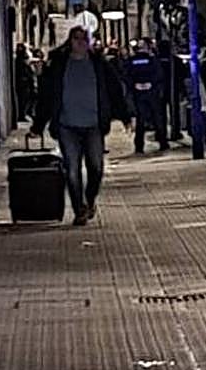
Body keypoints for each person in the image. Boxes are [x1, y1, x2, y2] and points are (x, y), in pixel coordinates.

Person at [30, 26, 131, 226]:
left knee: (96, 167)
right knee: (72, 170)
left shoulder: (99, 64)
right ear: (70, 41)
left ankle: (90, 199)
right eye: (76, 38)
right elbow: (47, 95)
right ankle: (79, 209)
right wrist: (38, 124)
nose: (80, 42)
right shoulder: (59, 64)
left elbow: (114, 90)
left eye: (84, 39)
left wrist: (125, 116)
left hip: (93, 125)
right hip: (67, 126)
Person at [124, 42, 168, 154]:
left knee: (140, 120)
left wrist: (134, 85)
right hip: (152, 92)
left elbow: (126, 75)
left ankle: (139, 146)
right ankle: (163, 142)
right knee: (158, 118)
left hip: (138, 93)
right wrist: (152, 84)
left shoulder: (131, 61)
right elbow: (159, 75)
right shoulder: (152, 60)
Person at [14, 44, 35, 124]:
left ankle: (23, 114)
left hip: (25, 84)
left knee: (25, 100)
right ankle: (22, 115)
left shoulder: (22, 60)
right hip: (23, 84)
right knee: (23, 100)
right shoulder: (20, 61)